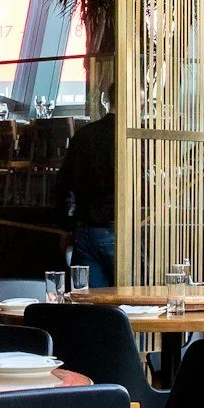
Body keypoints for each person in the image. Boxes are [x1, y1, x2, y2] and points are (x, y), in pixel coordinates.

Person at [55, 103, 116, 287]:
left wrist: (65, 226)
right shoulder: (128, 137)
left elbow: (62, 184)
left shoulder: (84, 135)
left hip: (84, 231)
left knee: (90, 304)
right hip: (114, 229)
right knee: (134, 298)